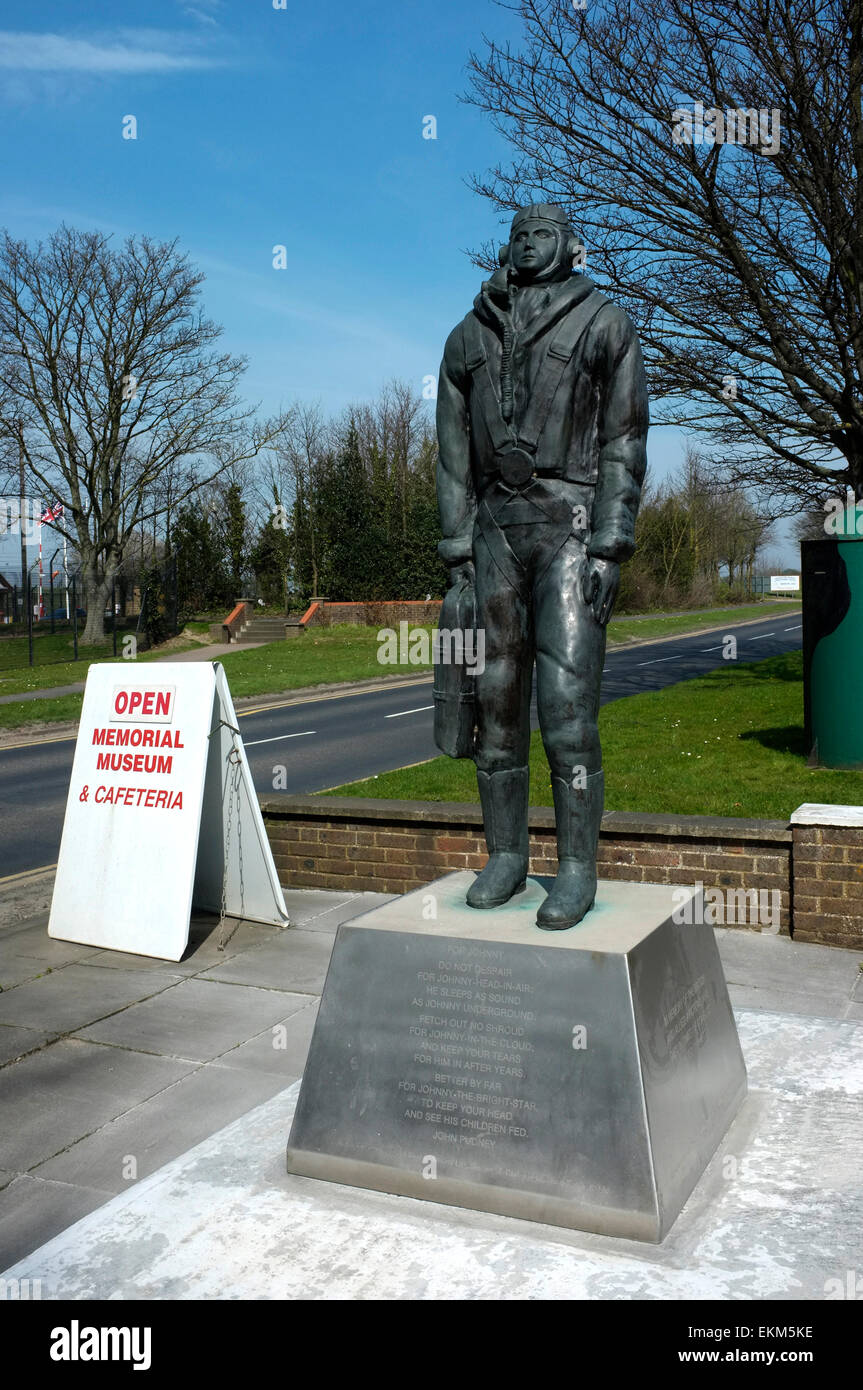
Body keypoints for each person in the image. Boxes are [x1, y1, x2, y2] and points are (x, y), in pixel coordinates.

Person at [435, 203, 648, 929]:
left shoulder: (604, 323)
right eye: (518, 234)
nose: (527, 245)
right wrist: (457, 548)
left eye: (542, 235)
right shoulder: (465, 337)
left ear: (569, 247)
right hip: (494, 530)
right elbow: (451, 455)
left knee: (565, 711)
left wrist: (609, 543)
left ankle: (578, 867)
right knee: (493, 704)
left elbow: (624, 439)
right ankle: (505, 856)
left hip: (570, 525)